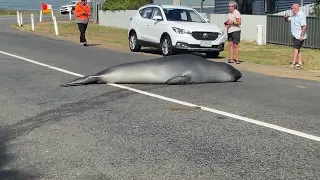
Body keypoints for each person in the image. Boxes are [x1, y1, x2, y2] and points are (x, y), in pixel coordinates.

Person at [284, 4, 307, 68]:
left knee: (295, 49)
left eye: (292, 8)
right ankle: (299, 62)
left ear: (295, 8)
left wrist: (302, 35)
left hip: (300, 35)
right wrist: (285, 18)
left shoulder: (301, 15)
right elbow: (287, 20)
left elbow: (304, 26)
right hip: (295, 35)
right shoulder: (294, 16)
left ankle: (293, 62)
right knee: (297, 49)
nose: (291, 9)